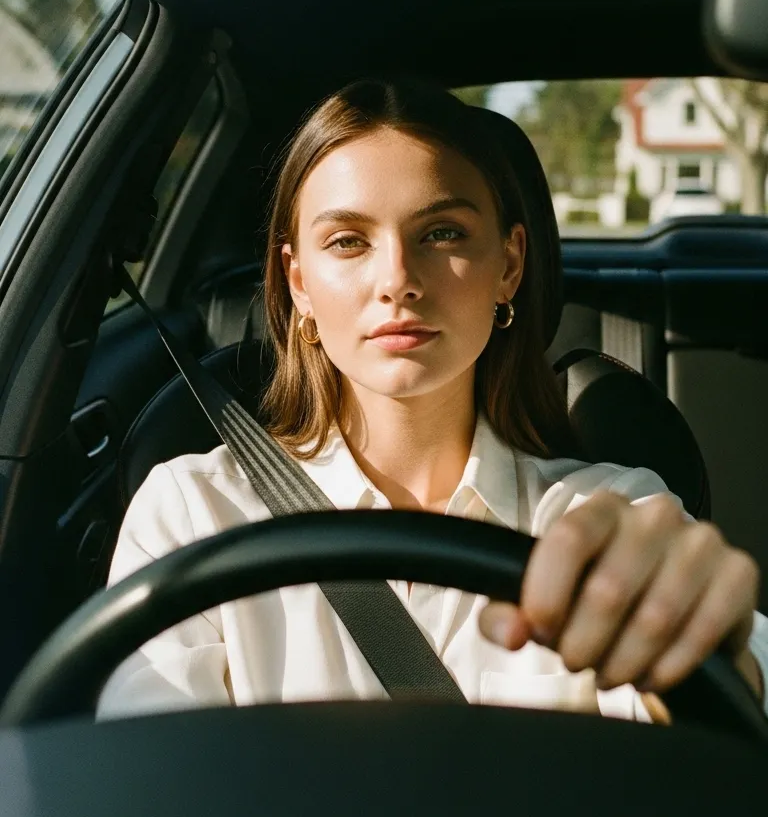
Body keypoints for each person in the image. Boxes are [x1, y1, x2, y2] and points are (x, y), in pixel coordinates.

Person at [97, 78, 767, 721]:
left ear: (509, 265)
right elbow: (145, 790)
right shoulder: (193, 514)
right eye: (348, 241)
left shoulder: (610, 517)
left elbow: (729, 718)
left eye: (441, 233)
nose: (397, 280)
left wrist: (708, 655)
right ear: (298, 282)